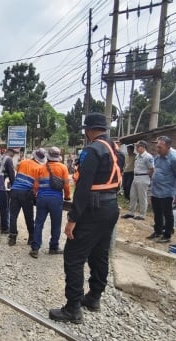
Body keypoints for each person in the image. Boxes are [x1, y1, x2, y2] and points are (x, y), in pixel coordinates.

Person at [49, 113, 121, 323]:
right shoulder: (116, 150)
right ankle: (94, 297)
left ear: (89, 130)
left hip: (93, 208)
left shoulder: (92, 150)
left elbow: (83, 188)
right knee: (99, 253)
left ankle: (73, 308)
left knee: (73, 257)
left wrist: (73, 218)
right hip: (111, 206)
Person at [31, 147, 71, 258]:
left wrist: (35, 194)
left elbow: (35, 186)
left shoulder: (41, 167)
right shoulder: (63, 168)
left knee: (39, 223)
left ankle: (35, 248)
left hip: (42, 199)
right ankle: (53, 247)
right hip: (56, 200)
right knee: (56, 224)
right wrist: (67, 196)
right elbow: (66, 185)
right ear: (58, 157)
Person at [8, 148, 46, 246]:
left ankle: (12, 238)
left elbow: (17, 175)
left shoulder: (23, 162)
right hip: (26, 192)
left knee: (13, 215)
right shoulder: (39, 168)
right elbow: (36, 185)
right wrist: (34, 194)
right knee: (28, 216)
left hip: (15, 190)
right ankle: (31, 238)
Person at [148, 136, 176, 243]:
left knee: (167, 213)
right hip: (156, 190)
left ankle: (167, 234)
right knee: (157, 212)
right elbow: (156, 171)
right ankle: (158, 231)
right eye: (157, 147)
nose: (157, 149)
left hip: (167, 191)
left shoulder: (174, 159)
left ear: (168, 147)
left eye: (160, 147)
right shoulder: (157, 157)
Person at [122, 140, 154, 220]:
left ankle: (142, 214)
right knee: (132, 195)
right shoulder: (137, 156)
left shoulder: (148, 156)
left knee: (142, 196)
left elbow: (152, 169)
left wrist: (148, 177)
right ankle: (131, 212)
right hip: (135, 177)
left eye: (138, 146)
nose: (136, 148)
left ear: (143, 147)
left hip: (143, 177)